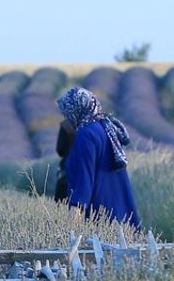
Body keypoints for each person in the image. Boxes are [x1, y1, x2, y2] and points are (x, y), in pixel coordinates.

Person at [57, 86, 141, 229]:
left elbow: (84, 180)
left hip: (100, 216)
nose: (67, 118)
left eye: (68, 112)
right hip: (121, 211)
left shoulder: (85, 135)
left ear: (77, 110)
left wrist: (73, 222)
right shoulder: (106, 127)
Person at [53, 118, 76, 202]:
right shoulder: (94, 125)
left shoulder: (66, 125)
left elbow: (60, 150)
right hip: (88, 174)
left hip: (67, 172)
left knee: (61, 203)